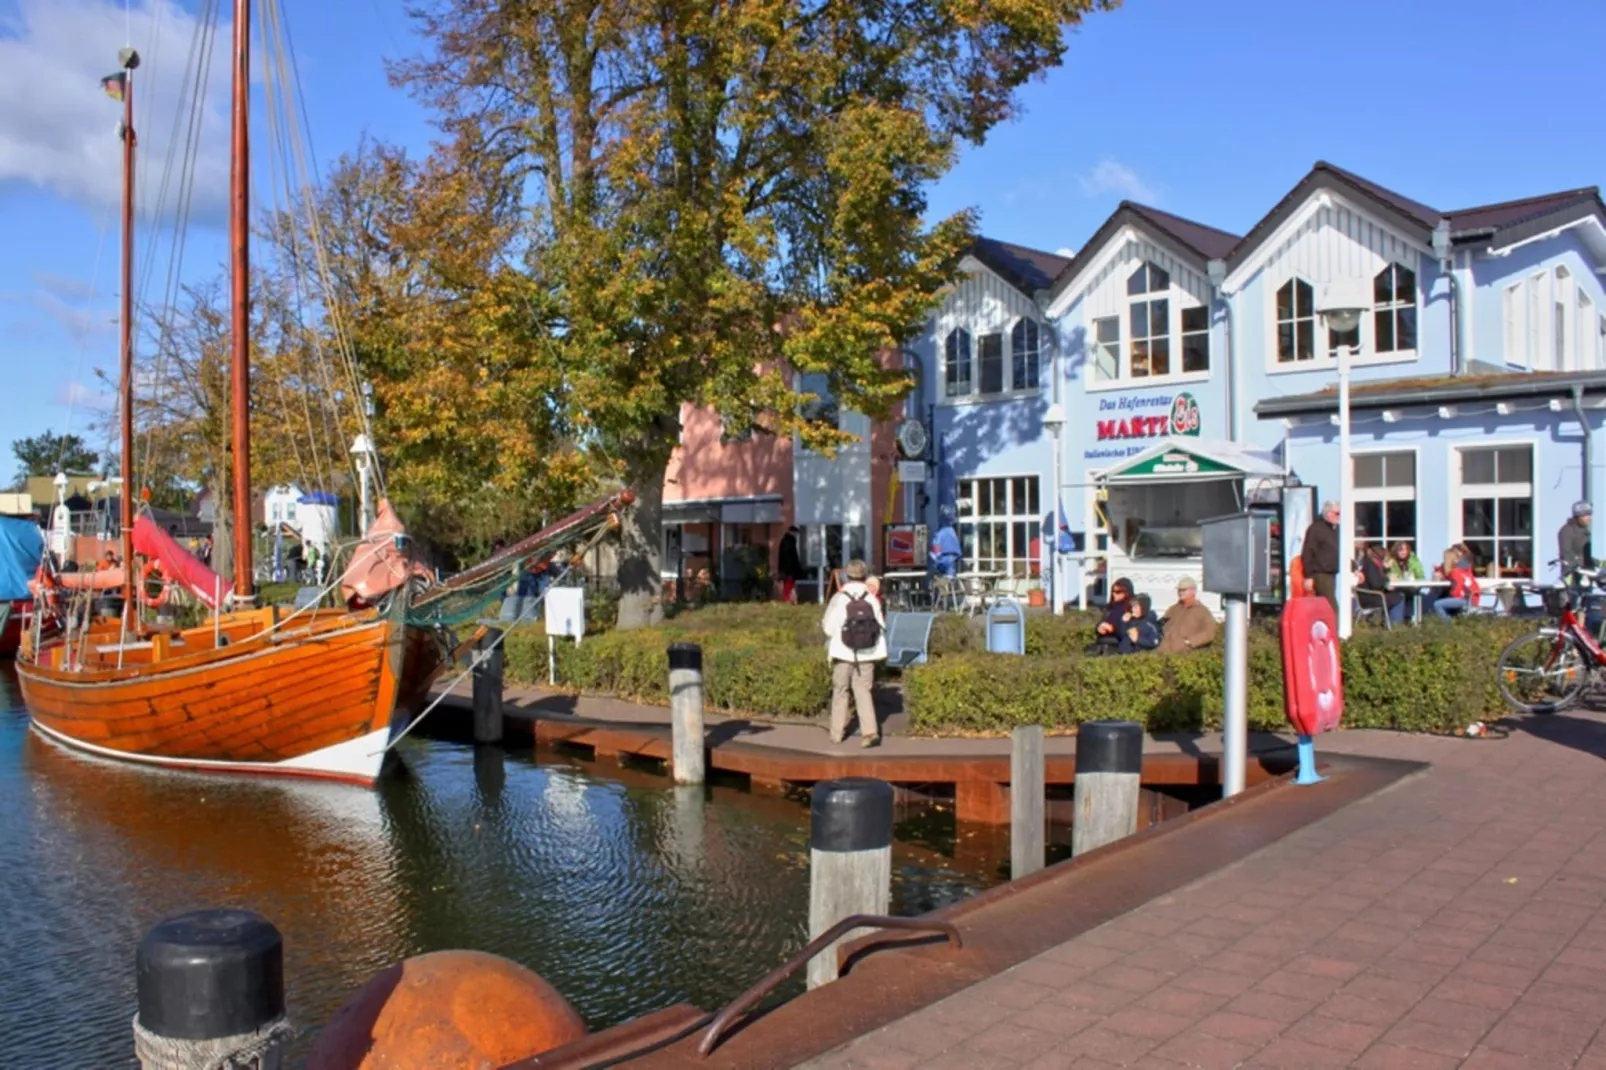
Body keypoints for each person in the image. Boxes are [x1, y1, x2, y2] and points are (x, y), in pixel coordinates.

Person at [820, 559, 886, 747]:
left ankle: (836, 733)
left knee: (840, 691)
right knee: (863, 690)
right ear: (864, 576)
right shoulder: (871, 597)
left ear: (846, 576)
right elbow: (880, 625)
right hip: (867, 653)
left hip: (843, 653)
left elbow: (829, 629)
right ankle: (870, 732)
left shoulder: (839, 598)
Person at [1157, 577, 1218, 654]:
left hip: (1185, 656)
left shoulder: (1202, 611)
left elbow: (1209, 633)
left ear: (1193, 591)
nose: (1180, 593)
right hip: (1163, 653)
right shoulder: (1173, 609)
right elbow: (1160, 626)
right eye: (1179, 590)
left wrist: (1189, 642)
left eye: (1184, 590)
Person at [1301, 500, 1342, 612]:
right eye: (1337, 513)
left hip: (1332, 573)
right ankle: (1337, 629)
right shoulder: (1316, 529)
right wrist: (1308, 576)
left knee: (1324, 608)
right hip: (1320, 574)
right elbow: (1308, 552)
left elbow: (1342, 552)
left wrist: (1354, 568)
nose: (1339, 516)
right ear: (1328, 513)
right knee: (1332, 608)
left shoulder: (1336, 530)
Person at [1355, 544, 1405, 625]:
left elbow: (1376, 581)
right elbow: (1375, 584)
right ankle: (1395, 624)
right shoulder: (1370, 564)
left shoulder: (1371, 563)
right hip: (1369, 598)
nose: (1386, 559)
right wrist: (1387, 579)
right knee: (1399, 597)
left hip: (1369, 595)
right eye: (1385, 557)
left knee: (1395, 594)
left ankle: (1389, 623)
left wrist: (1386, 572)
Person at [1434, 546, 1479, 619]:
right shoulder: (1464, 569)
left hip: (1466, 599)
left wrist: (1451, 594)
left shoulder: (1455, 572)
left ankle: (1449, 627)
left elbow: (1457, 590)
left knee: (1437, 604)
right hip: (1473, 598)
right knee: (1445, 601)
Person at [1560, 501, 1593, 577]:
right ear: (1579, 516)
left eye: (1590, 515)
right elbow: (1567, 557)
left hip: (1587, 575)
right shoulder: (1567, 531)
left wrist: (1599, 563)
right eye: (1587, 515)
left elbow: (1585, 555)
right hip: (1574, 576)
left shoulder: (1584, 532)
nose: (1589, 518)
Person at [777, 525, 804, 604]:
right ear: (792, 532)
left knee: (789, 586)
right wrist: (792, 569)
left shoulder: (786, 541)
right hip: (789, 570)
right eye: (796, 533)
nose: (796, 535)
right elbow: (791, 557)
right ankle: (788, 600)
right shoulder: (789, 542)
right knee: (788, 586)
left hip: (787, 570)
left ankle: (790, 600)